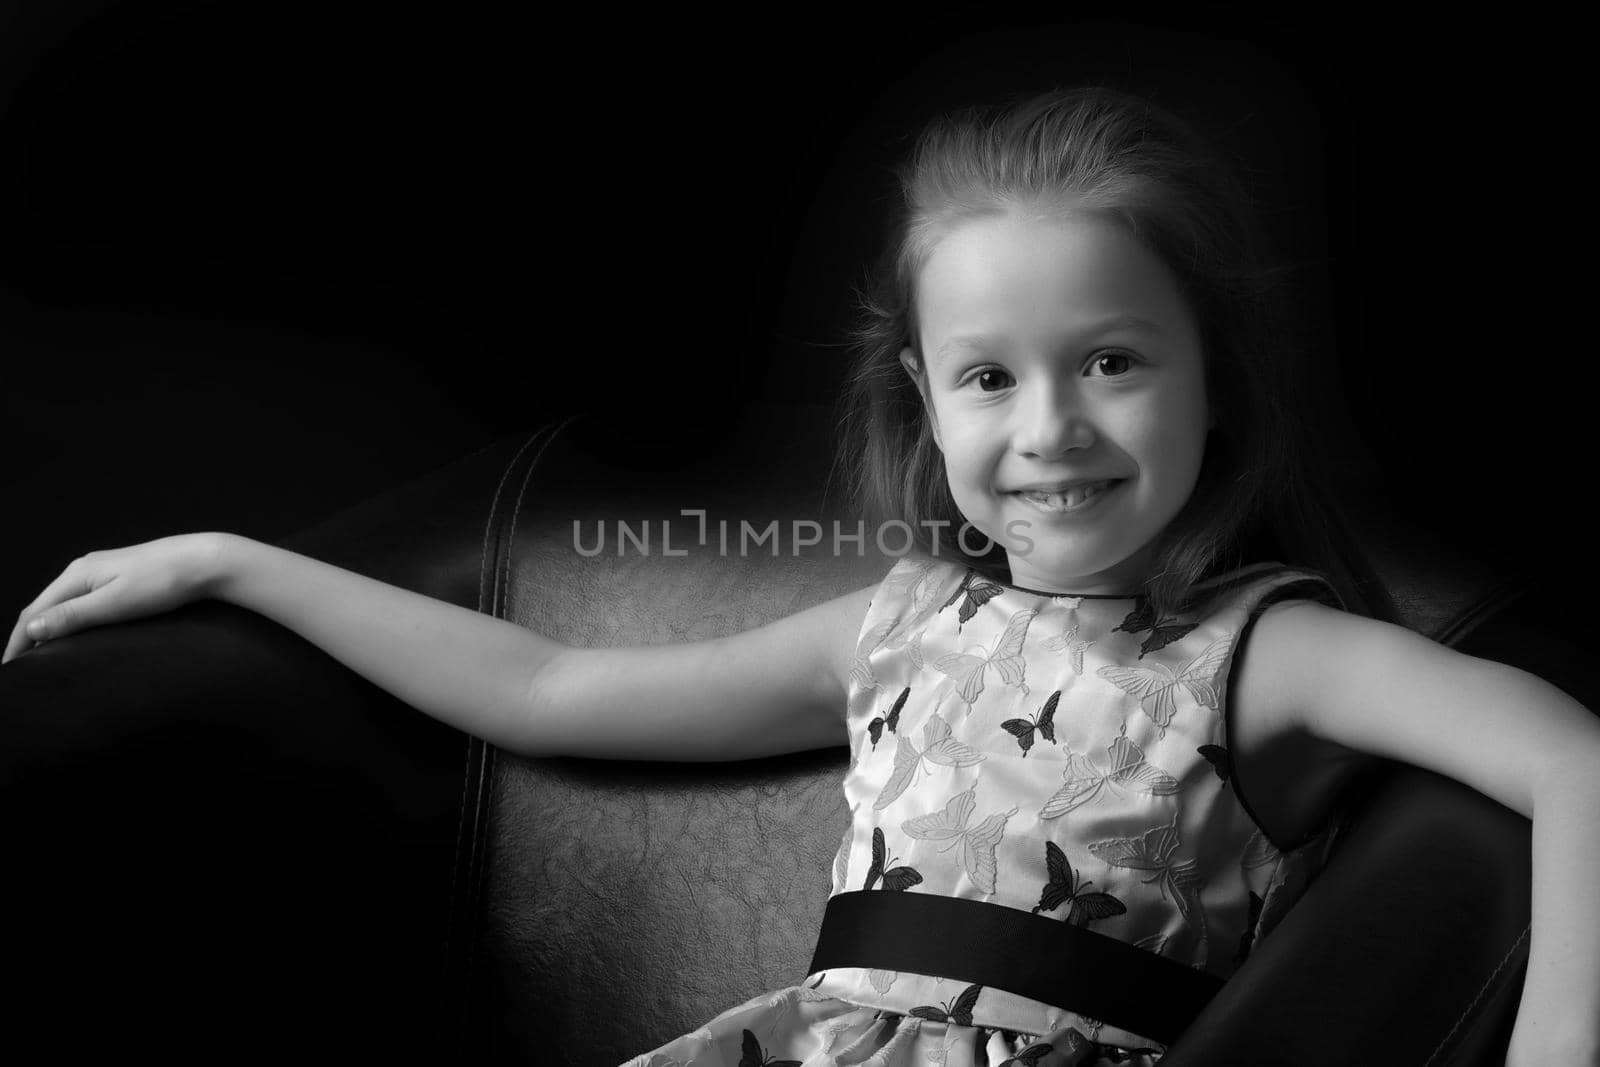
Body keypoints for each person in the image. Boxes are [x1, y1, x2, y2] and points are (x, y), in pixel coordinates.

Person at [4, 87, 1596, 1067]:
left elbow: (1577, 758)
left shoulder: (1263, 654)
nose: (1051, 430)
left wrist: (1559, 1039)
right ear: (922, 396)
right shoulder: (902, 626)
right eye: (989, 378)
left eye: (1111, 361)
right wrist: (234, 562)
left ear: (1212, 382)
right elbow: (552, 687)